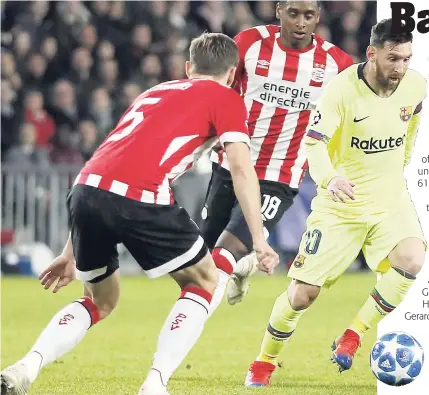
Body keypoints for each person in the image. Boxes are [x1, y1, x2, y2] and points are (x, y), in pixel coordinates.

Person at [0, 33, 279, 395]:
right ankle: (154, 384)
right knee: (204, 281)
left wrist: (70, 251)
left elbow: (111, 159)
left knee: (101, 299)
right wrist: (258, 240)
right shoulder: (227, 97)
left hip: (86, 189)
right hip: (141, 195)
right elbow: (242, 170)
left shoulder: (155, 91)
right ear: (231, 74)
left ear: (188, 67)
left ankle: (26, 367)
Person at [244, 18, 427, 386]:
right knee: (301, 295)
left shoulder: (415, 86)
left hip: (389, 199)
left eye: (406, 59)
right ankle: (263, 361)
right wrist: (330, 178)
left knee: (412, 259)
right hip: (341, 203)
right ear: (372, 53)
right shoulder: (340, 90)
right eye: (393, 59)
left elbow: (410, 129)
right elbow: (314, 143)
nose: (401, 68)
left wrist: (401, 163)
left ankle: (354, 333)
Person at [201, 0, 353, 312]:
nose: (300, 22)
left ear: (318, 18)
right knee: (207, 253)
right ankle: (245, 265)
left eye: (308, 16)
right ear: (279, 11)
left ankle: (191, 322)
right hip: (231, 162)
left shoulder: (337, 63)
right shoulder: (249, 43)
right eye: (293, 13)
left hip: (280, 175)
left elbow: (353, 113)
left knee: (223, 256)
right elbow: (218, 89)